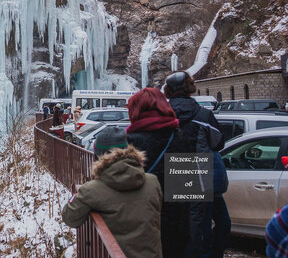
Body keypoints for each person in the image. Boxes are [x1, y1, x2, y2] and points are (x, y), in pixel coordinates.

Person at [62, 126, 163, 258]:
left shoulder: (91, 190)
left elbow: (69, 217)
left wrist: (80, 194)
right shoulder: (153, 182)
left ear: (99, 157)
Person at [164, 71, 230, 258]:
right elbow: (219, 143)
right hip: (201, 174)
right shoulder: (203, 114)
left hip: (173, 171)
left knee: (184, 228)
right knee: (214, 225)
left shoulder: (164, 115)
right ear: (190, 88)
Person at [125, 88, 190, 258]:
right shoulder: (180, 138)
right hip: (175, 227)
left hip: (139, 226)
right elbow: (190, 191)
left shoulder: (130, 143)